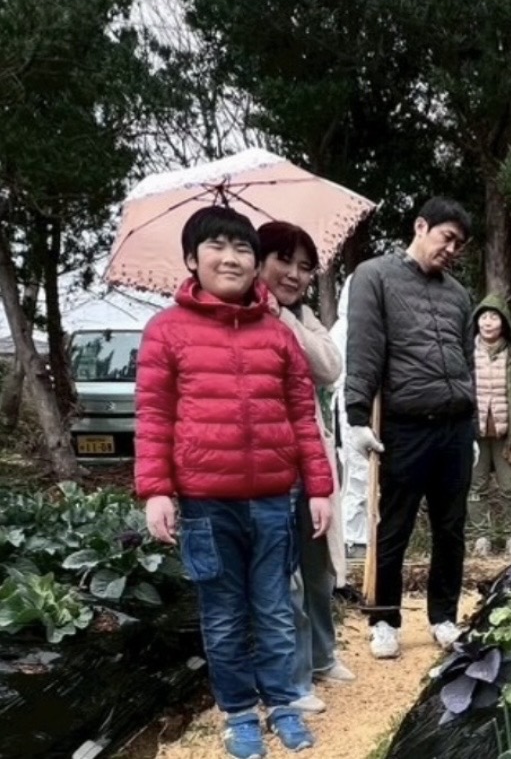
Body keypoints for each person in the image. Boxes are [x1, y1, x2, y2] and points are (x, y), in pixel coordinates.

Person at [137, 206, 333, 758]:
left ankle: (284, 704)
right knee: (223, 617)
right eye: (217, 246)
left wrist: (318, 488)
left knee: (274, 609)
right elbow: (153, 415)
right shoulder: (166, 331)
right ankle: (240, 714)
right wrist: (156, 490)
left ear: (255, 262)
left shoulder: (277, 333)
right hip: (205, 504)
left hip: (274, 498)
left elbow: (302, 414)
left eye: (243, 248)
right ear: (191, 260)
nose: (231, 257)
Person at [344, 197, 476, 659]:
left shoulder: (459, 294)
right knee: (393, 527)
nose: (452, 249)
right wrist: (357, 416)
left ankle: (444, 616)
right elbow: (364, 349)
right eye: (447, 237)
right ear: (421, 226)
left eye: (459, 244)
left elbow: (466, 362)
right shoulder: (374, 276)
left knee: (452, 528)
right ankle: (384, 618)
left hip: (456, 427)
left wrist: (473, 427)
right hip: (405, 426)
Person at [257, 221, 355, 715]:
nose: (295, 274)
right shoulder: (242, 317)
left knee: (318, 569)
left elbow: (329, 365)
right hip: (267, 465)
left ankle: (322, 654)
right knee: (284, 577)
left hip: (310, 457)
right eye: (283, 261)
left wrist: (285, 317)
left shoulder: (302, 315)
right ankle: (294, 679)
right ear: (259, 261)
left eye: (304, 266)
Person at [468, 294, 511, 551]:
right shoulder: (467, 352)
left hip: (507, 434)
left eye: (494, 317)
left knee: (510, 487)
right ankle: (480, 537)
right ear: (477, 322)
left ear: (503, 322)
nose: (488, 323)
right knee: (476, 486)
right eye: (483, 317)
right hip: (474, 433)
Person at [330, 274, 369, 557]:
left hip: (367, 407)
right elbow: (333, 372)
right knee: (356, 474)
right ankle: (352, 539)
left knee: (368, 475)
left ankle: (365, 534)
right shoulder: (343, 330)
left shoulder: (371, 328)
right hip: (347, 406)